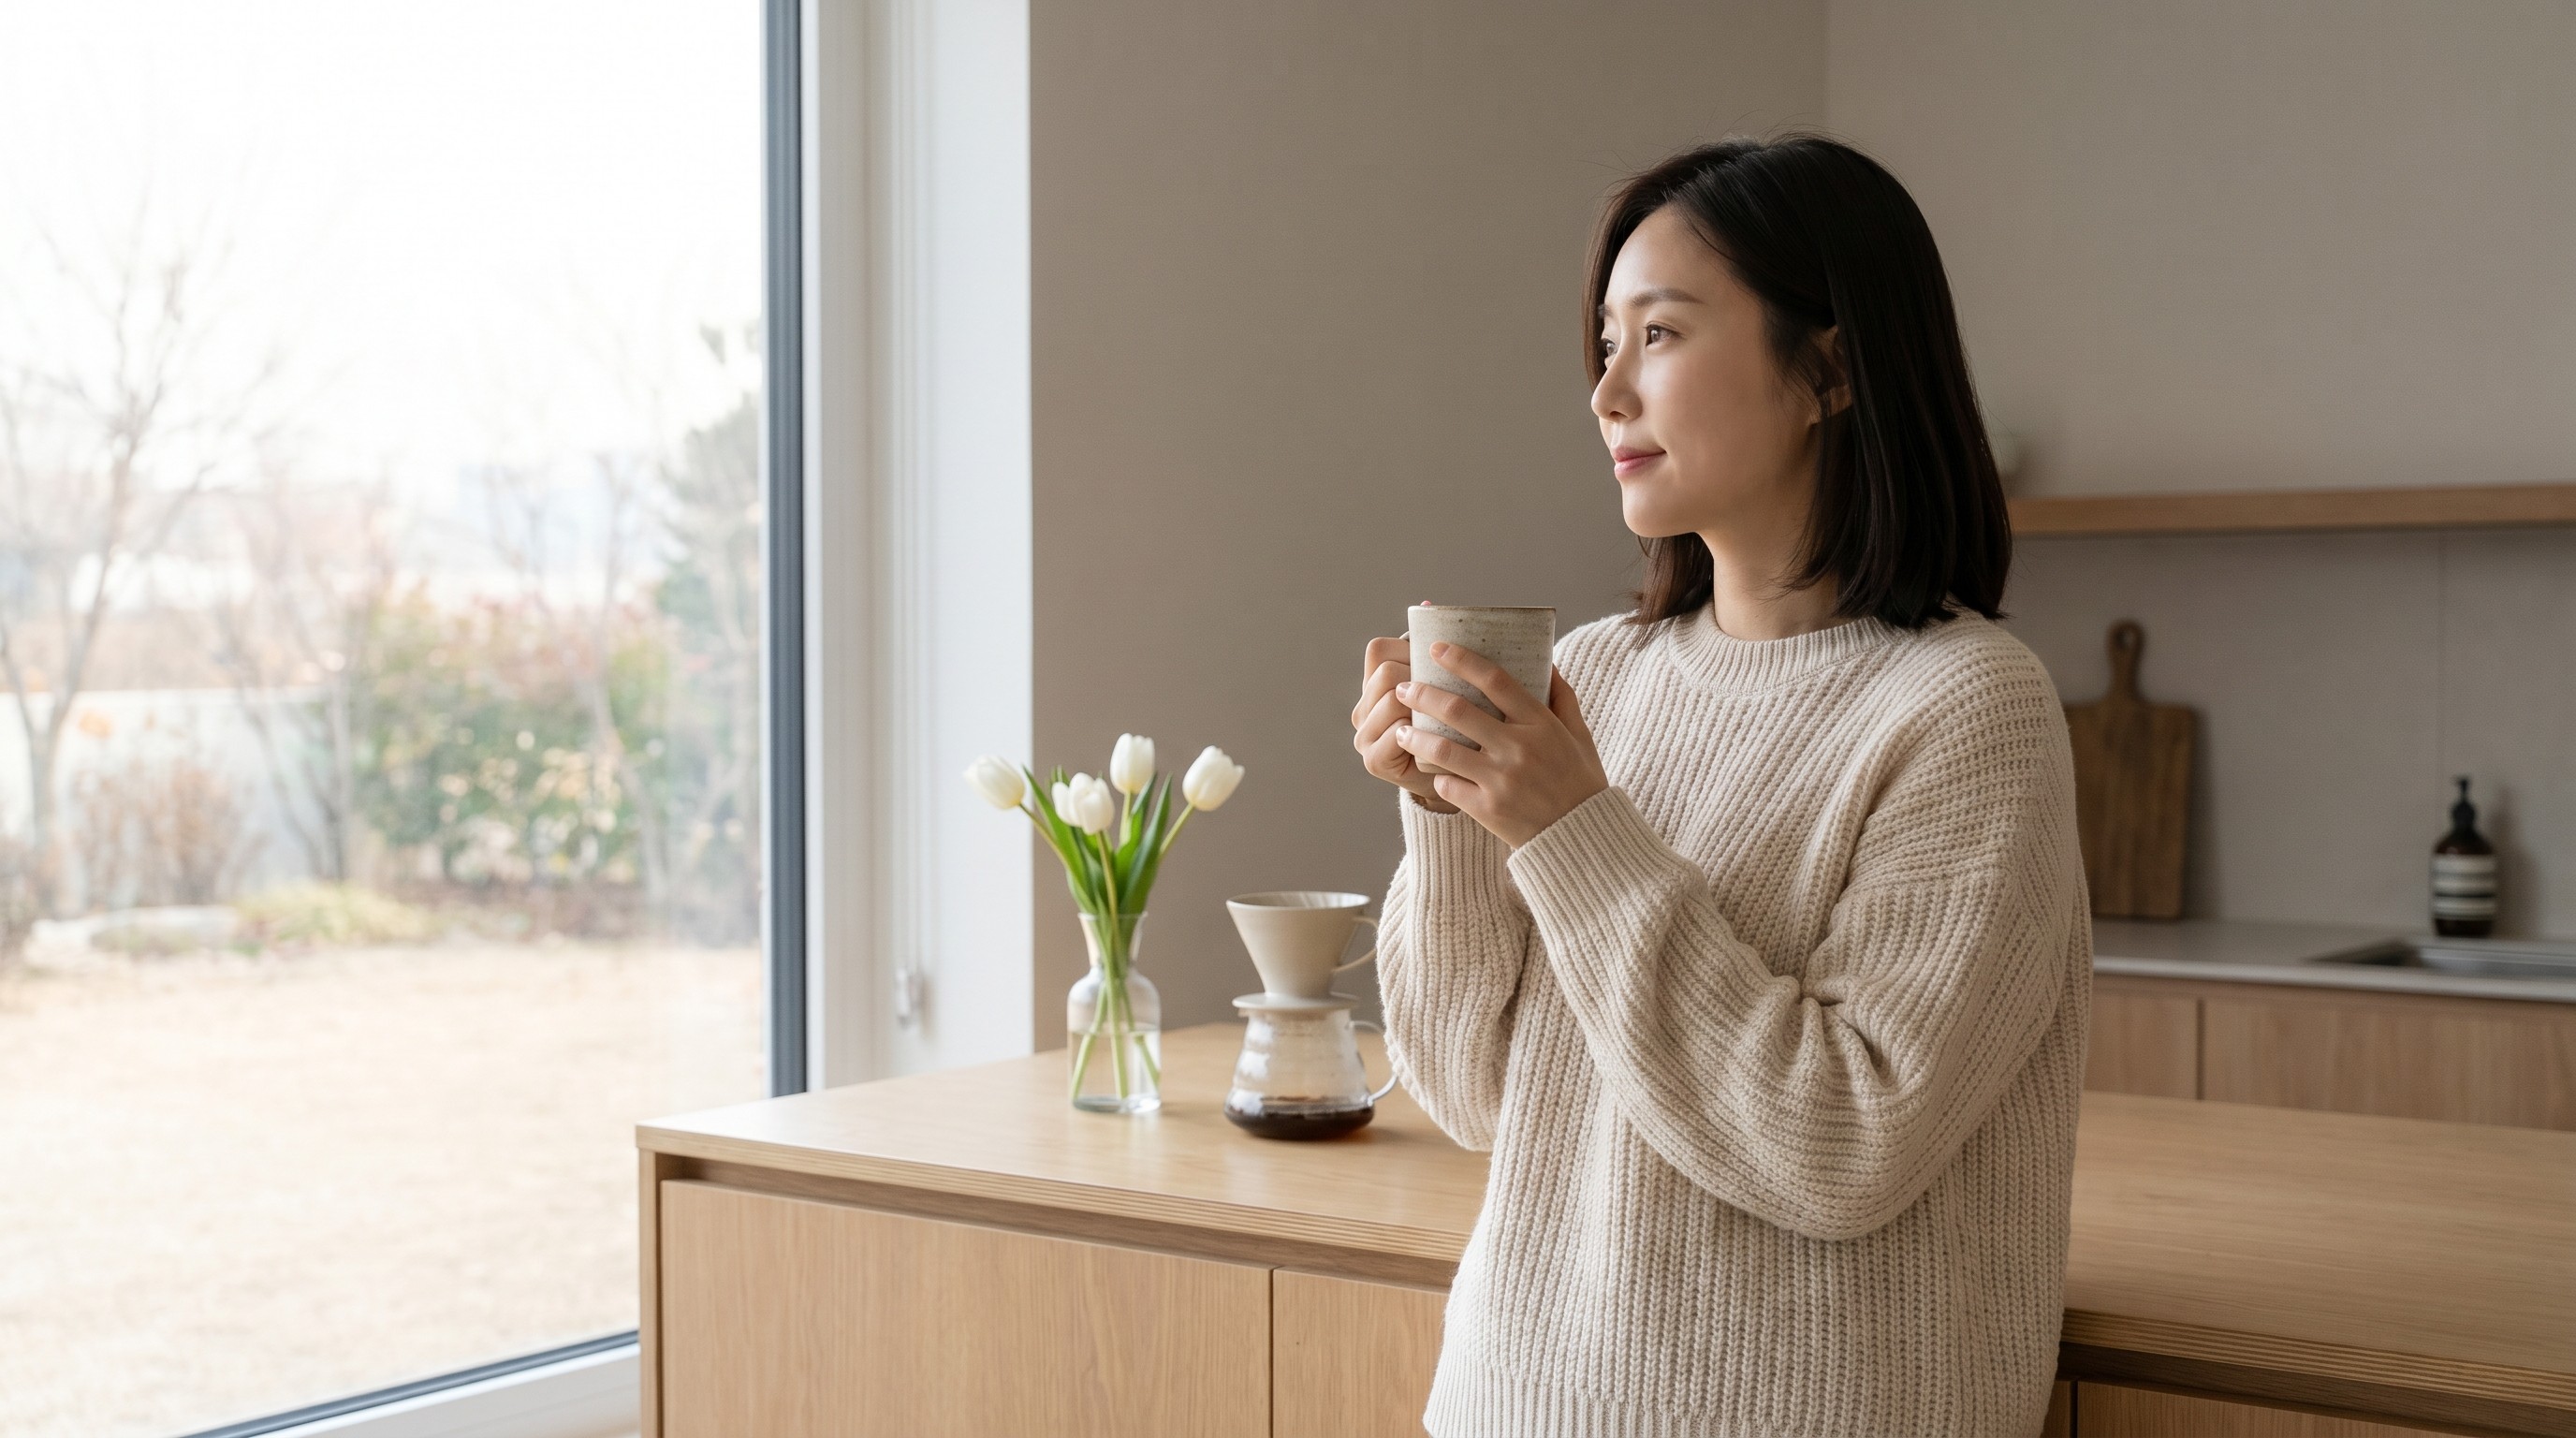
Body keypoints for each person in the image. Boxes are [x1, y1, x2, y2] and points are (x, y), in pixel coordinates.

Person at [1349, 135, 2090, 1438]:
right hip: (1517, 1404)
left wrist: (1570, 826)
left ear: (1831, 371)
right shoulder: (1599, 676)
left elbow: (1843, 1144)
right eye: (1604, 340)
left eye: (1661, 335)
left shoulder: (1970, 710)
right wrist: (1451, 809)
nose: (1605, 392)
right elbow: (1469, 1092)